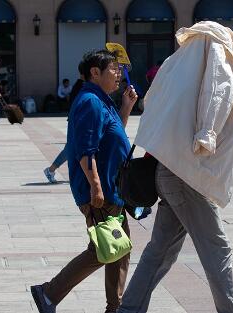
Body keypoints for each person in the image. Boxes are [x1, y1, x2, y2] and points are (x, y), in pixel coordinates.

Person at [117, 21, 233, 313]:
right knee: (217, 248)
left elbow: (152, 102)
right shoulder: (216, 53)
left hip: (168, 169)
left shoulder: (176, 64)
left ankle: (129, 309)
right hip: (188, 173)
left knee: (160, 250)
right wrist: (207, 133)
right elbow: (219, 91)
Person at [31, 50, 138, 313]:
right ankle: (48, 293)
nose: (118, 74)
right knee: (105, 248)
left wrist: (125, 108)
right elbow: (84, 150)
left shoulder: (103, 100)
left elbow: (113, 137)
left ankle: (114, 307)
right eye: (113, 69)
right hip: (101, 190)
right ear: (94, 72)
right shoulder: (90, 101)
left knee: (117, 248)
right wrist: (96, 187)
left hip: (114, 186)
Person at [44, 76, 85, 184]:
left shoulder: (80, 85)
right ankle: (51, 169)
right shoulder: (81, 86)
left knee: (73, 149)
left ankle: (52, 170)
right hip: (79, 121)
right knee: (71, 148)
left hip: (79, 120)